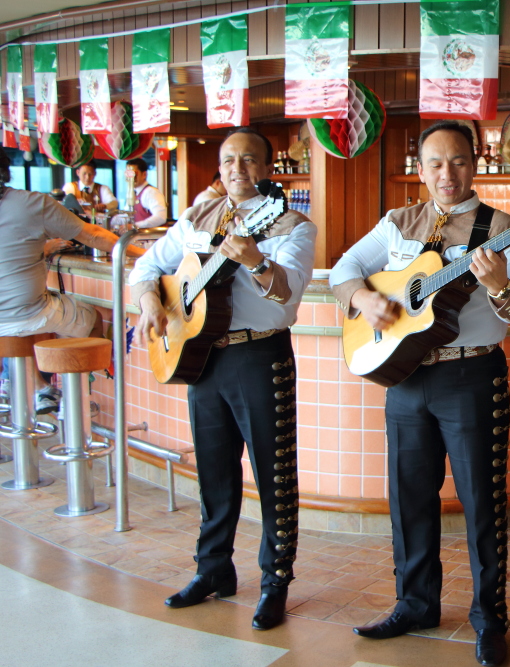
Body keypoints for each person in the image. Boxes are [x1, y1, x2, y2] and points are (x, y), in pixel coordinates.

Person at [329, 121, 510, 667]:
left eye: (460, 162)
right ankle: (415, 603)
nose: (448, 174)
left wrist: (498, 286)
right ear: (421, 170)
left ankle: (490, 619)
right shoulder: (398, 223)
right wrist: (362, 299)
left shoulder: (506, 229)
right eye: (436, 164)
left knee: (481, 505)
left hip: (471, 379)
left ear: (476, 162)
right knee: (409, 499)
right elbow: (345, 268)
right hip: (405, 378)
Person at [129, 128, 317, 631]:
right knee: (213, 472)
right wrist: (151, 301)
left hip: (260, 358)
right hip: (202, 358)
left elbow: (288, 295)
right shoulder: (195, 218)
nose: (239, 168)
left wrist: (254, 258)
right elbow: (148, 265)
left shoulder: (291, 224)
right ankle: (213, 570)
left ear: (267, 167)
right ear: (219, 165)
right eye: (230, 159)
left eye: (250, 160)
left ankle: (275, 580)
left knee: (274, 476)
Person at [0, 151, 143, 413]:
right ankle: (75, 404)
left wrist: (41, 249)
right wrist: (147, 256)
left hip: (10, 322)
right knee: (89, 317)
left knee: (33, 321)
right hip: (26, 314)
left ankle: (29, 386)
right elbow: (94, 236)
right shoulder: (30, 203)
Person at [125, 158, 168, 228]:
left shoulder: (151, 192)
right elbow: (126, 215)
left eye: (134, 174)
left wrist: (135, 226)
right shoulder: (133, 193)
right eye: (128, 174)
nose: (130, 178)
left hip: (151, 237)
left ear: (144, 174)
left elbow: (160, 217)